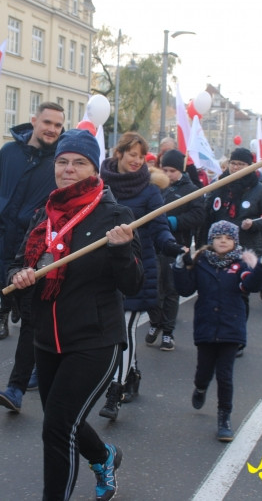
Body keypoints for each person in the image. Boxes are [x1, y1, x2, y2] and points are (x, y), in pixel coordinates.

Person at [9, 129, 142, 501]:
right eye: (62, 162)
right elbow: (19, 263)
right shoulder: (44, 213)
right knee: (64, 420)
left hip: (94, 340)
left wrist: (121, 249)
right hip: (46, 338)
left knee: (57, 427)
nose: (68, 169)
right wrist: (18, 276)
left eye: (79, 163)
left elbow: (133, 284)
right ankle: (104, 456)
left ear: (93, 168)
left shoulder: (115, 215)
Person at [98, 132, 183, 420]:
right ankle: (132, 372)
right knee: (114, 329)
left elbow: (159, 227)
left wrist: (170, 244)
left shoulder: (150, 191)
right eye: (131, 154)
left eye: (141, 155)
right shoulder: (100, 185)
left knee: (123, 330)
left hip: (137, 269)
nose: (136, 160)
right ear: (118, 154)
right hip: (105, 269)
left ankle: (115, 391)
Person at [0, 102, 64, 412]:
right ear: (34, 121)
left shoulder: (60, 160)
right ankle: (36, 355)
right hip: (5, 241)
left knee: (32, 315)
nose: (52, 130)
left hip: (38, 246)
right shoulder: (9, 153)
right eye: (47, 122)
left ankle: (15, 387)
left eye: (58, 125)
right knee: (3, 290)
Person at [172, 221, 262, 442]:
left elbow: (250, 286)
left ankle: (224, 417)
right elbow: (186, 288)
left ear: (235, 241)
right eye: (218, 237)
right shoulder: (201, 262)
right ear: (211, 240)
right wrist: (180, 266)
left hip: (231, 326)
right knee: (203, 370)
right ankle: (200, 388)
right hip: (206, 325)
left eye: (228, 238)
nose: (223, 241)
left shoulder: (241, 264)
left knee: (225, 376)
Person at [147, 149, 207, 351]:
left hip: (176, 245)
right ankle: (155, 322)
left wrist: (174, 222)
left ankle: (167, 333)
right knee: (152, 288)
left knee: (171, 290)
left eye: (172, 170)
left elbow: (199, 215)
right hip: (153, 245)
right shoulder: (154, 186)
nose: (167, 174)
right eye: (164, 169)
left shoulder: (191, 190)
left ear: (180, 170)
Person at [205, 147, 262, 304]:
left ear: (250, 166)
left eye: (241, 164)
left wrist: (253, 224)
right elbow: (209, 211)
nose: (236, 167)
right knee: (218, 289)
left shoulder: (259, 189)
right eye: (233, 163)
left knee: (240, 292)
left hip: (246, 244)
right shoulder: (220, 184)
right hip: (221, 246)